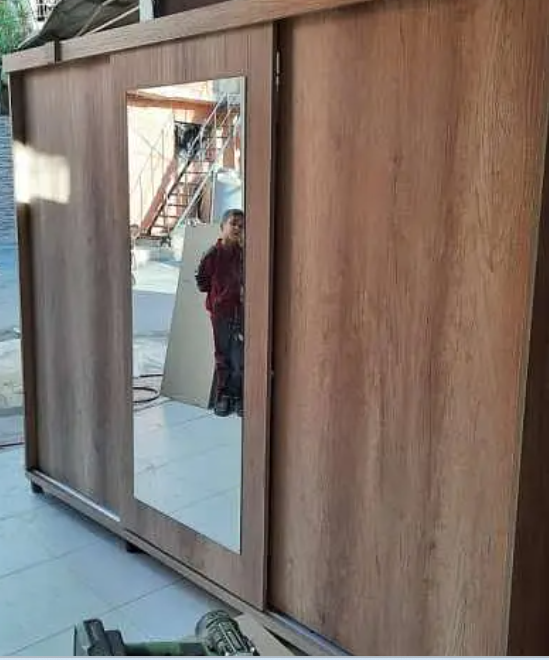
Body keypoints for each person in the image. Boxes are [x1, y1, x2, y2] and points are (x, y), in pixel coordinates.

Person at [195, 209, 244, 417]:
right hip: (220, 313)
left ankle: (239, 395)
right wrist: (218, 297)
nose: (237, 228)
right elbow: (202, 282)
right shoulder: (212, 255)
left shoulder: (244, 254)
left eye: (241, 226)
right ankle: (223, 396)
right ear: (222, 226)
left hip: (241, 312)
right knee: (222, 355)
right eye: (233, 223)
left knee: (239, 357)